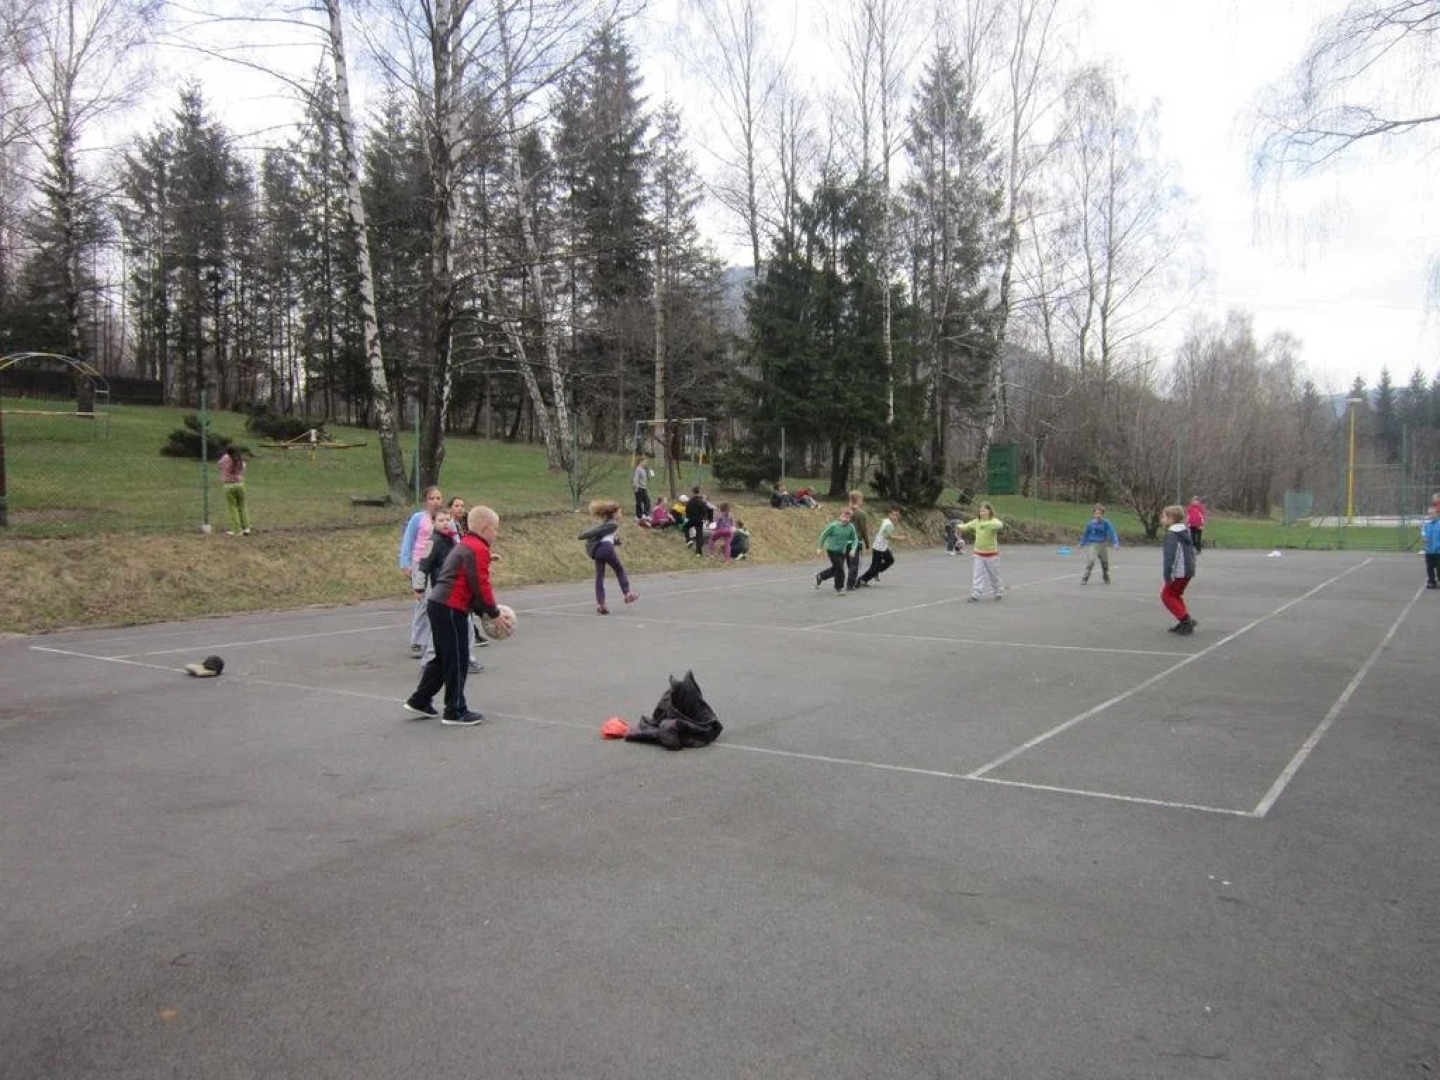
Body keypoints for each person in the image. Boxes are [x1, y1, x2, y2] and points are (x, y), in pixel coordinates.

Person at [404, 505, 508, 726]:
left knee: (443, 658)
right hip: (450, 608)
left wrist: (482, 612)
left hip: (440, 605)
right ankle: (455, 710)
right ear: (485, 527)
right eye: (495, 529)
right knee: (458, 659)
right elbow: (480, 585)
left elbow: (470, 586)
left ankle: (420, 700)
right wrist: (493, 613)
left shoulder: (467, 545)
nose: (496, 534)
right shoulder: (476, 548)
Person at [398, 486, 443, 656]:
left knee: (437, 602)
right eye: (432, 498)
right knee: (422, 602)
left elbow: (454, 540)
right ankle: (418, 640)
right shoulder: (418, 518)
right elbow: (408, 541)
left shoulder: (445, 519)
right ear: (426, 501)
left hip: (439, 564)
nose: (435, 502)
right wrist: (406, 563)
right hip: (420, 563)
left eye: (438, 498)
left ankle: (435, 638)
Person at [579, 499, 639, 615]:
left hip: (598, 551)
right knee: (619, 569)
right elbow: (597, 531)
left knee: (599, 577)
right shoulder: (612, 524)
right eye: (620, 512)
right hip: (605, 548)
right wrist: (583, 535)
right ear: (614, 513)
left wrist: (616, 541)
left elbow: (605, 535)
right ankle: (627, 593)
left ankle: (601, 604)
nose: (621, 514)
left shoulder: (608, 524)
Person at [1160, 504, 1198, 634]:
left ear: (1171, 518)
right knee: (1175, 595)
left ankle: (1185, 620)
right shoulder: (1184, 532)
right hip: (1187, 570)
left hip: (1179, 573)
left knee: (1167, 596)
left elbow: (1171, 556)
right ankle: (1185, 619)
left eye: (1164, 516)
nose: (1162, 518)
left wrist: (1167, 575)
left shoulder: (1173, 535)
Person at [956, 503, 1005, 601]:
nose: (982, 513)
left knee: (994, 575)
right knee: (977, 575)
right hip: (978, 553)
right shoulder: (976, 522)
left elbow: (1000, 525)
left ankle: (998, 591)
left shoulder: (993, 521)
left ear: (989, 511)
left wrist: (985, 524)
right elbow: (966, 526)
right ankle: (975, 594)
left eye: (984, 511)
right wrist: (958, 526)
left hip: (991, 554)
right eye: (980, 511)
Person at [858, 506, 907, 586]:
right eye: (894, 515)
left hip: (883, 547)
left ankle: (873, 573)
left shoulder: (887, 521)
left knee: (890, 560)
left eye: (897, 515)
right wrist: (899, 538)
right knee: (875, 567)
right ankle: (861, 580)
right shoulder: (888, 524)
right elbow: (886, 536)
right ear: (889, 514)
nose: (895, 517)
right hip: (878, 548)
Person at [814, 508, 858, 594]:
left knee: (836, 568)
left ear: (850, 519)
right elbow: (823, 535)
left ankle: (820, 576)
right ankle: (839, 588)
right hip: (832, 550)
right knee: (840, 569)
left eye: (848, 518)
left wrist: (853, 549)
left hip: (842, 551)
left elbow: (855, 539)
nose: (845, 519)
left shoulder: (851, 527)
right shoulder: (833, 526)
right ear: (840, 517)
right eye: (844, 517)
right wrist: (819, 547)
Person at [1079, 503, 1120, 584]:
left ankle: (1105, 575)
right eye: (1096, 513)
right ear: (1093, 514)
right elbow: (1086, 534)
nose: (1098, 515)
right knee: (1091, 561)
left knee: (1105, 563)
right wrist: (1082, 543)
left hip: (1103, 544)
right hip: (1093, 544)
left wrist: (1115, 543)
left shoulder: (1106, 523)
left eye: (1100, 513)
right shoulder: (1090, 524)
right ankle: (1085, 577)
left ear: (1103, 514)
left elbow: (1112, 532)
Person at [217, 446, 251, 536]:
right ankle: (246, 528)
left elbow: (219, 465)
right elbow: (243, 470)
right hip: (240, 485)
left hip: (229, 486)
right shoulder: (241, 461)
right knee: (242, 506)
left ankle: (237, 530)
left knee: (233, 508)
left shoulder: (225, 458)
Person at [844, 490, 871, 590]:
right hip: (856, 541)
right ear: (858, 500)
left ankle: (851, 580)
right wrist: (867, 542)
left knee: (850, 563)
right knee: (855, 563)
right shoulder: (861, 513)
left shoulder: (845, 511)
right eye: (861, 499)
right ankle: (851, 584)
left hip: (845, 541)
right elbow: (863, 529)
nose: (862, 501)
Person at [684, 485, 710, 557]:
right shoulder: (702, 502)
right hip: (699, 520)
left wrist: (689, 517)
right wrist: (703, 518)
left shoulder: (689, 501)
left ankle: (688, 540)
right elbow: (705, 511)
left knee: (686, 527)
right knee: (699, 535)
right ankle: (698, 552)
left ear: (693, 492)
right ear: (699, 492)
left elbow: (687, 511)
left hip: (692, 519)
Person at [1421, 508, 1440, 590]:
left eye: (1432, 513)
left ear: (1437, 514)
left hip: (1438, 551)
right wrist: (1424, 538)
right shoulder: (1426, 525)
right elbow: (1423, 533)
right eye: (1429, 514)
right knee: (1430, 567)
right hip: (1429, 551)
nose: (1431, 515)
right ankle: (1432, 582)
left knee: (1439, 568)